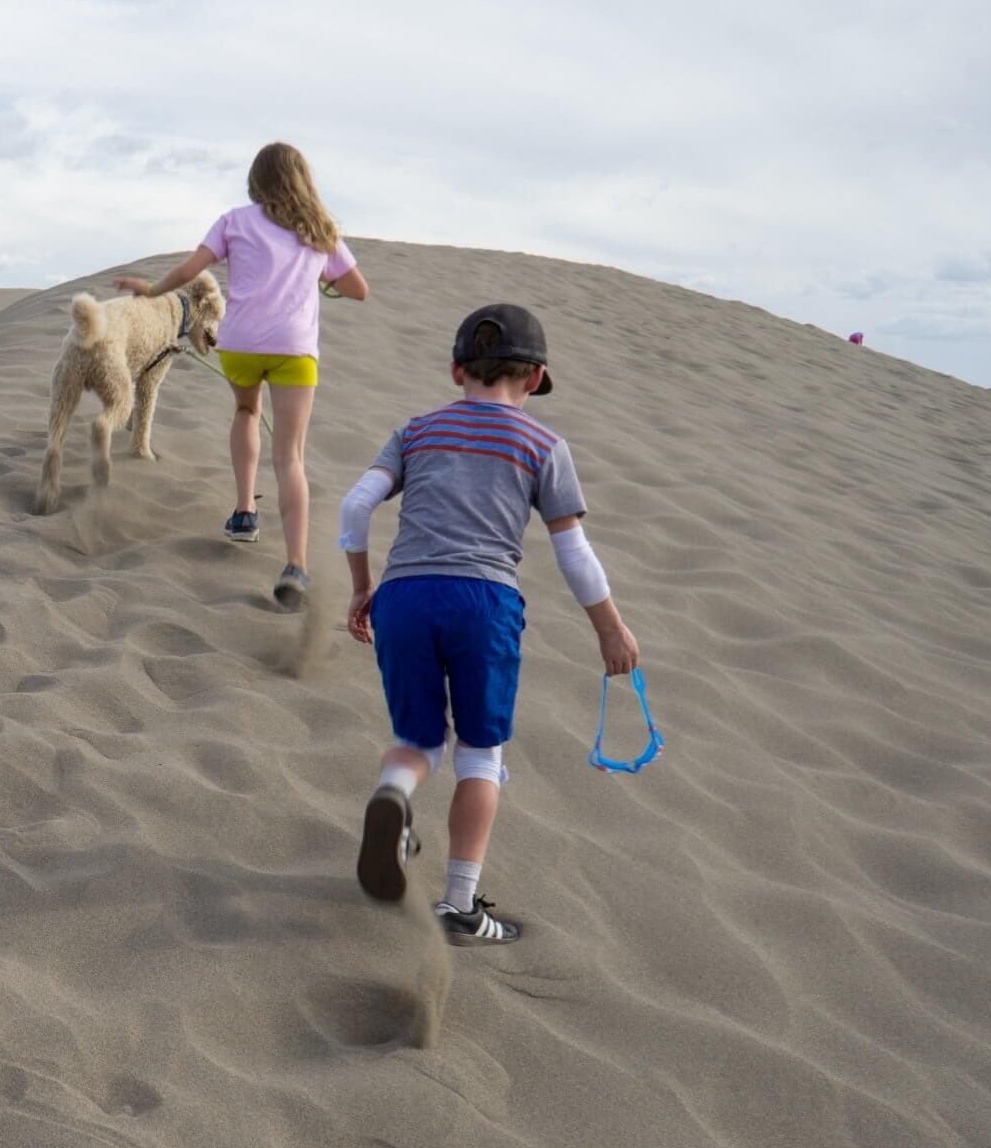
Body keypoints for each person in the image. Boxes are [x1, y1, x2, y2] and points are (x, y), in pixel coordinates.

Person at [337, 304, 640, 945]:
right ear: (534, 380)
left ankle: (393, 795)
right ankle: (458, 905)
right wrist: (609, 628)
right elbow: (574, 554)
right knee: (480, 753)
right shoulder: (542, 445)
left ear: (455, 370)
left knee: (419, 739)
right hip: (484, 604)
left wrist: (363, 585)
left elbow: (357, 503)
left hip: (404, 597)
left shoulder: (415, 431)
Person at [118, 141, 367, 608]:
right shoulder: (319, 229)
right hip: (294, 349)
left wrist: (149, 289)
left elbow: (191, 269)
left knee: (247, 411)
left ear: (257, 181)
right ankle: (296, 564)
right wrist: (317, 275)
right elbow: (358, 289)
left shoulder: (234, 220)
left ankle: (245, 512)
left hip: (241, 344)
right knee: (290, 455)